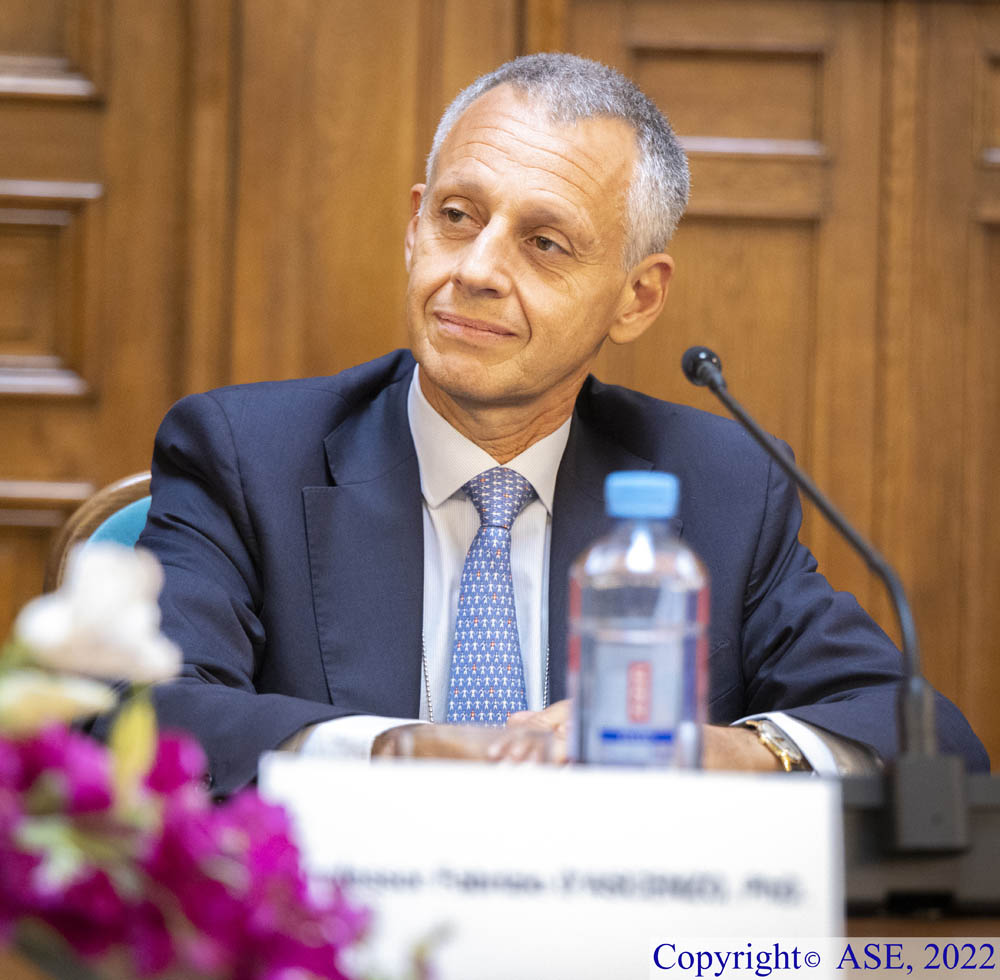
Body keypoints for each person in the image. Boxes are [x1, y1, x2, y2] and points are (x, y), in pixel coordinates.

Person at [136, 53, 987, 796]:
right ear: (415, 225)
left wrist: (735, 751)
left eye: (544, 243)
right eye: (457, 216)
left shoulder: (720, 487)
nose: (475, 270)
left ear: (637, 297)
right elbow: (138, 716)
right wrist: (396, 750)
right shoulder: (247, 455)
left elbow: (929, 736)